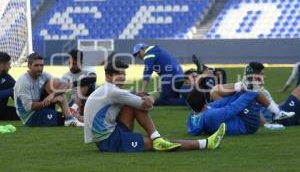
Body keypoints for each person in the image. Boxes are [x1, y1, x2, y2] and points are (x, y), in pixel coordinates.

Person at [84, 60, 226, 152]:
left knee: (134, 103)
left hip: (108, 134)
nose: (123, 77)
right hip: (109, 141)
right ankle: (206, 143)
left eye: (123, 74)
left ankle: (156, 138)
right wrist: (152, 96)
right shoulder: (113, 91)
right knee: (159, 144)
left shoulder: (108, 89)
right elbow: (146, 106)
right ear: (108, 76)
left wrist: (145, 96)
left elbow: (134, 99)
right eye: (118, 74)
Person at [186, 78, 295, 136]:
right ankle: (276, 113)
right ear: (205, 102)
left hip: (238, 117)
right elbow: (233, 108)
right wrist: (251, 92)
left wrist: (238, 91)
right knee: (254, 92)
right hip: (248, 124)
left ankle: (241, 85)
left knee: (217, 89)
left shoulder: (193, 115)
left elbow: (221, 103)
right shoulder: (210, 116)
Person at [14, 53, 83, 127]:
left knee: (56, 86)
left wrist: (52, 95)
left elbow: (65, 84)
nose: (40, 68)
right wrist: (45, 102)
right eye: (36, 65)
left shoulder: (43, 74)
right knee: (71, 116)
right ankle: (71, 119)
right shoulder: (24, 82)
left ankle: (70, 118)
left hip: (41, 107)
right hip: (31, 117)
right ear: (29, 66)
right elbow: (28, 107)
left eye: (41, 65)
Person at [62, 49, 96, 121]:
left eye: (74, 64)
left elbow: (93, 78)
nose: (71, 66)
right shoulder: (66, 76)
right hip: (73, 101)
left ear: (81, 63)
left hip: (88, 99)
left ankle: (74, 110)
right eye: (70, 63)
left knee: (84, 80)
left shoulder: (88, 69)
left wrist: (73, 84)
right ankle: (76, 114)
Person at [0, 52, 19, 120]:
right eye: (8, 64)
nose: (10, 67)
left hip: (2, 111)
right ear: (2, 64)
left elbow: (18, 92)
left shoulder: (7, 78)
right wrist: (11, 90)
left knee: (23, 113)